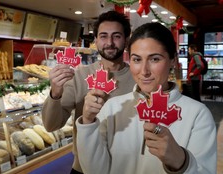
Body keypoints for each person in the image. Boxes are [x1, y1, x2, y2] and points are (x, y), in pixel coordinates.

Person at [76, 23, 217, 174]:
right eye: (136, 60)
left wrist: (180, 161)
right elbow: (94, 170)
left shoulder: (198, 115)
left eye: (154, 59)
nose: (144, 71)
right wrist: (88, 123)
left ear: (173, 60)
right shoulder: (112, 107)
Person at [42, 10, 135, 174]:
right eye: (104, 36)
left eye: (117, 36)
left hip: (127, 168)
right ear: (96, 40)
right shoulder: (79, 76)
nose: (110, 42)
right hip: (84, 168)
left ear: (126, 40)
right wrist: (55, 93)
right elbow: (51, 125)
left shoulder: (138, 78)